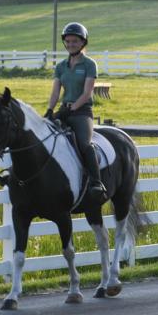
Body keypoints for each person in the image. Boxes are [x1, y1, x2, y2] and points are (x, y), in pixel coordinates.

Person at [48, 22, 107, 200]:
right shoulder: (60, 67)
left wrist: (73, 108)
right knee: (40, 136)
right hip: (64, 110)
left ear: (83, 43)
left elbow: (87, 92)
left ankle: (97, 183)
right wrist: (50, 111)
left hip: (82, 112)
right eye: (68, 41)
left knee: (84, 144)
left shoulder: (90, 64)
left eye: (75, 41)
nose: (71, 44)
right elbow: (55, 92)